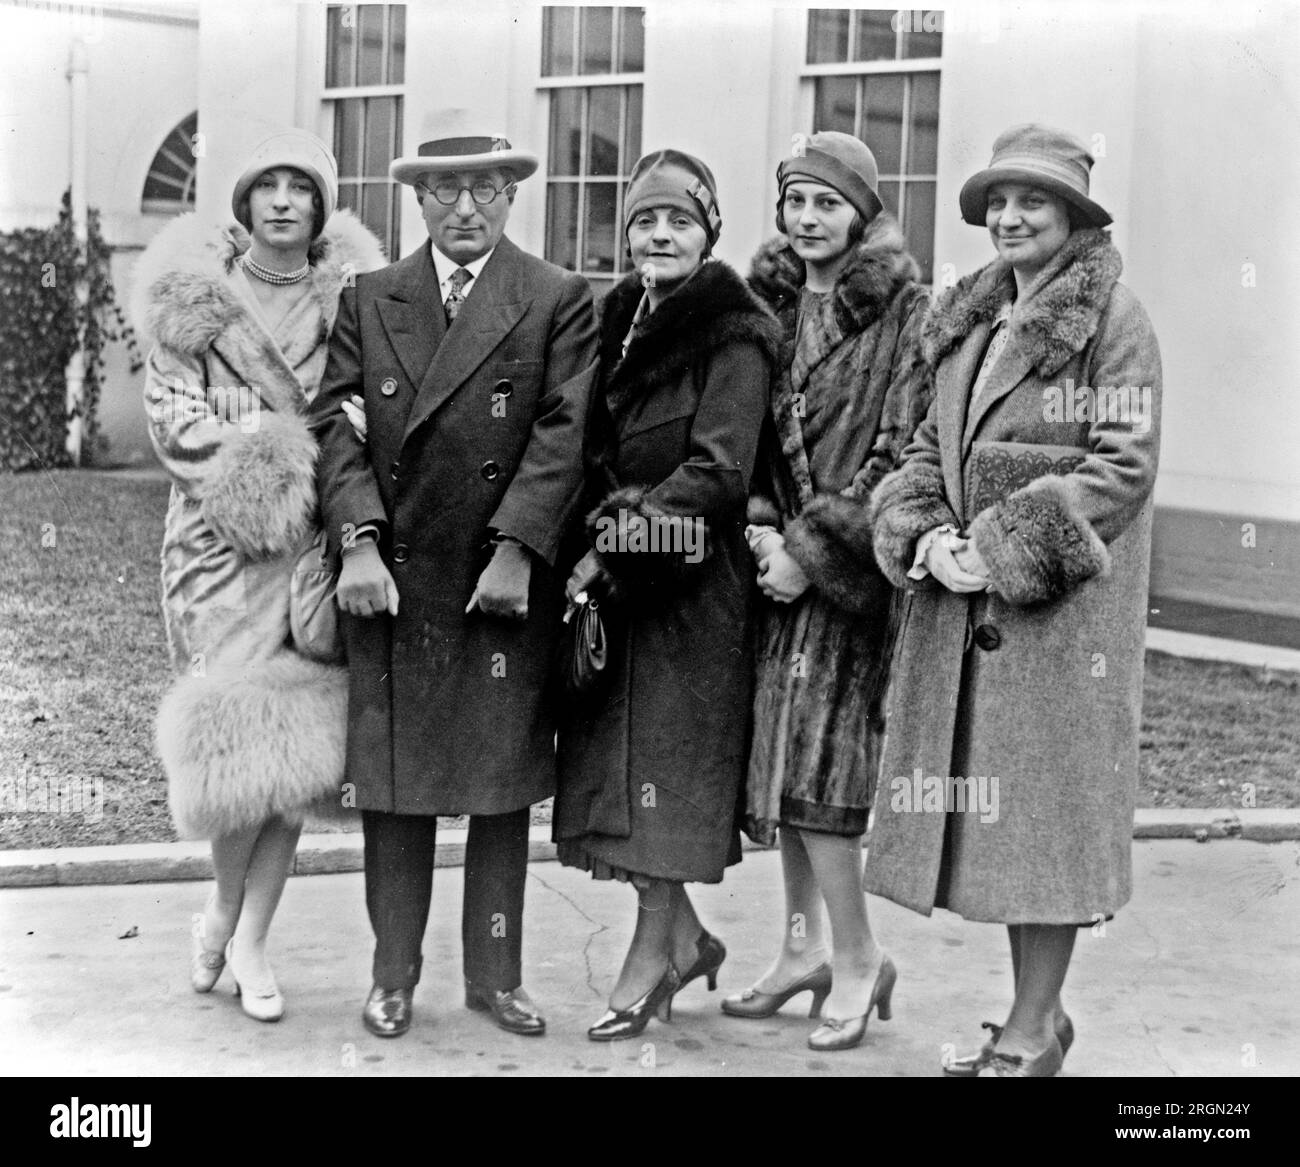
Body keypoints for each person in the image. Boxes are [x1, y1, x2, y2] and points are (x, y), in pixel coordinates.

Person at [866, 124, 1162, 1076]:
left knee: (1046, 825)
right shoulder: (967, 322)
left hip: (1061, 632)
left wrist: (995, 549)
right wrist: (924, 535)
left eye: (1033, 200)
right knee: (1007, 832)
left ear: (1074, 217)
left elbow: (1123, 468)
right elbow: (923, 450)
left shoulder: (1114, 320)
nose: (1010, 216)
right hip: (968, 615)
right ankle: (1036, 1018)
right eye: (997, 201)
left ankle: (1033, 1030)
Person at [309, 130, 598, 1040]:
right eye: (444, 193)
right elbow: (336, 426)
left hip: (500, 582)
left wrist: (517, 548)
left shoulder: (556, 298)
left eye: (484, 189)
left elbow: (564, 435)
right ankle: (392, 973)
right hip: (393, 582)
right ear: (418, 201)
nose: (464, 209)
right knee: (395, 791)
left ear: (513, 194)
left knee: (500, 785)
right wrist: (357, 542)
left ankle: (496, 975)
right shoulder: (370, 296)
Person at [134, 130, 386, 1022]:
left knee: (290, 741)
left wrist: (315, 468)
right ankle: (222, 904)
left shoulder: (354, 300)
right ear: (243, 203)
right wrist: (259, 455)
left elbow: (364, 412)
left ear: (322, 206)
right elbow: (172, 419)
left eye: (301, 187)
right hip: (214, 542)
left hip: (308, 551)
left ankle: (246, 934)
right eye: (266, 186)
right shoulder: (194, 301)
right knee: (232, 727)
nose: (283, 201)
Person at [553, 149, 780, 1041]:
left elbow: (720, 470)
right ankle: (684, 940)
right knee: (621, 775)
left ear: (709, 232)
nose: (659, 234)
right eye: (645, 220)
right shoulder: (617, 322)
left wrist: (612, 545)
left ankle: (649, 964)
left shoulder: (735, 333)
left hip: (691, 587)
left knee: (664, 778)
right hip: (620, 587)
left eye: (679, 220)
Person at [726, 131, 932, 1051]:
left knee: (827, 780)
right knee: (781, 771)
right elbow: (754, 439)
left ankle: (858, 960)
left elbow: (902, 450)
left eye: (827, 203)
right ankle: (803, 949)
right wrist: (765, 528)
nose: (809, 219)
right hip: (778, 571)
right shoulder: (764, 304)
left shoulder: (905, 311)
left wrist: (814, 549)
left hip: (851, 579)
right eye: (795, 201)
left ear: (862, 210)